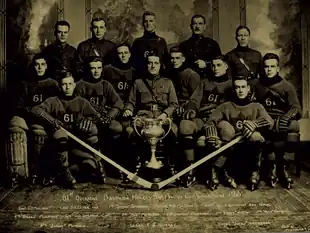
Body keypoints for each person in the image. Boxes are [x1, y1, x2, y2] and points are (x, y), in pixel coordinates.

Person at [31, 71, 109, 189]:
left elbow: (97, 117)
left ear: (74, 85)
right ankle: (65, 170)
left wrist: (89, 120)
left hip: (78, 143)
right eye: (64, 84)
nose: (67, 87)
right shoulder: (53, 101)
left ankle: (98, 164)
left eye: (70, 84)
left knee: (92, 132)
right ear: (60, 86)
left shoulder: (81, 101)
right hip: (59, 144)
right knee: (60, 134)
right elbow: (35, 109)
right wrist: (52, 120)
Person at [204, 76, 274, 191]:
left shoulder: (256, 106)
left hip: (248, 146)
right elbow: (209, 122)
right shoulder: (225, 106)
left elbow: (269, 122)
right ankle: (216, 170)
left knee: (257, 137)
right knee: (225, 129)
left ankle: (254, 172)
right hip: (230, 147)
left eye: (243, 87)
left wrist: (255, 124)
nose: (240, 90)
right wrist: (212, 135)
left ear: (248, 89)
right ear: (233, 90)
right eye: (237, 87)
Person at [123, 51, 179, 180]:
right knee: (130, 131)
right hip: (144, 117)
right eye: (150, 63)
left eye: (156, 63)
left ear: (160, 65)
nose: (153, 66)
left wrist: (165, 114)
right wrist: (128, 109)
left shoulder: (168, 82)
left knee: (174, 130)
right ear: (146, 65)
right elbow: (130, 102)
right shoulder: (138, 82)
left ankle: (170, 167)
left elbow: (174, 104)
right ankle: (135, 166)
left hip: (162, 117)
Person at [7, 53, 60, 184]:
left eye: (42, 64)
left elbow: (57, 107)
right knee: (14, 126)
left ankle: (38, 172)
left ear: (47, 66)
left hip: (44, 120)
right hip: (28, 117)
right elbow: (19, 106)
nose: (40, 67)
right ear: (33, 66)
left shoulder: (53, 84)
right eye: (37, 65)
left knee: (39, 131)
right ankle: (17, 172)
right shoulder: (26, 83)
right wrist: (30, 113)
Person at [252, 53, 302, 189]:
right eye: (266, 67)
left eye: (272, 67)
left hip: (280, 119)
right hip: (263, 119)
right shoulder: (256, 85)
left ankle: (280, 167)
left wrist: (287, 116)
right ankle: (263, 169)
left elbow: (296, 108)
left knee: (284, 127)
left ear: (278, 68)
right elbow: (250, 104)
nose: (269, 69)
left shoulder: (287, 86)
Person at [75, 56, 124, 180]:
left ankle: (113, 165)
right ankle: (97, 167)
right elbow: (74, 107)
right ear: (87, 69)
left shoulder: (105, 84)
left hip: (102, 119)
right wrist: (83, 119)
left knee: (117, 129)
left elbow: (118, 103)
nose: (96, 71)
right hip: (88, 122)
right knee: (91, 132)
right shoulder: (80, 85)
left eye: (99, 68)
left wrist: (109, 116)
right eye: (92, 68)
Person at [168, 46, 200, 187]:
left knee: (184, 128)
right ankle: (171, 168)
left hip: (188, 113)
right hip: (173, 111)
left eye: (177, 58)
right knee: (169, 130)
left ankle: (189, 169)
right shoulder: (168, 73)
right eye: (172, 58)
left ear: (183, 59)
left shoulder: (191, 75)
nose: (174, 61)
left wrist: (187, 109)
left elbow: (196, 99)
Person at [131, 11, 169, 76]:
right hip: (141, 77)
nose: (148, 23)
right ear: (143, 23)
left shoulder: (161, 41)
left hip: (158, 78)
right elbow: (133, 63)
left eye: (151, 21)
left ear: (155, 23)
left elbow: (166, 63)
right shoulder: (137, 42)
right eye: (146, 21)